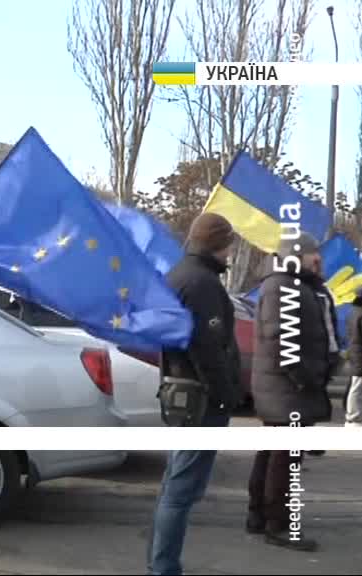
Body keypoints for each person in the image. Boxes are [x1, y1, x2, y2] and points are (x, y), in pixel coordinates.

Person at [147, 212, 243, 576]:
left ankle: (159, 564)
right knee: (180, 491)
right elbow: (208, 348)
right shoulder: (202, 283)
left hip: (183, 394)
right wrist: (225, 395)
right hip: (200, 399)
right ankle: (164, 568)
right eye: (229, 244)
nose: (231, 251)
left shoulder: (180, 274)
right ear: (219, 243)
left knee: (174, 486)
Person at [246, 233, 335, 551]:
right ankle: (278, 524)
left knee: (274, 453)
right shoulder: (283, 286)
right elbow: (282, 341)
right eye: (314, 254)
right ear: (297, 257)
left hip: (284, 388)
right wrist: (306, 380)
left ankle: (259, 515)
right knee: (285, 458)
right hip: (288, 388)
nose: (319, 259)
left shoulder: (295, 285)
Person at [345, 287, 362, 427]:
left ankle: (353, 415)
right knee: (357, 386)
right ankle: (353, 416)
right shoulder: (360, 313)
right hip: (359, 354)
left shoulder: (353, 312)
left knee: (355, 384)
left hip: (355, 353)